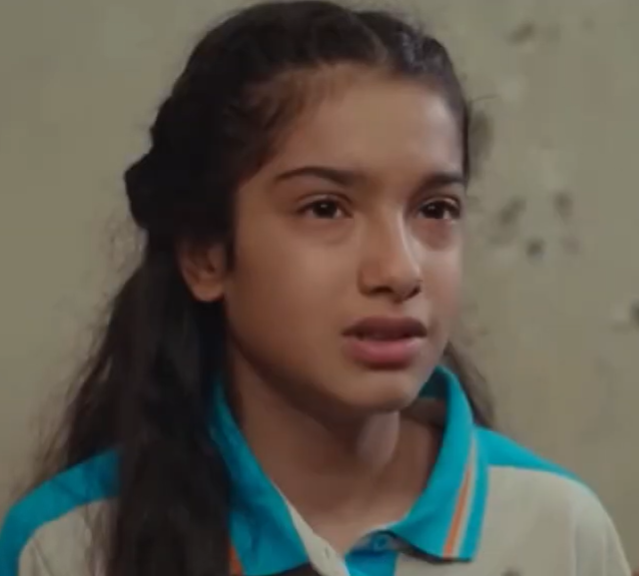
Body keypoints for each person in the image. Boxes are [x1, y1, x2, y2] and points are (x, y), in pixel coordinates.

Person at [0, 2, 630, 575]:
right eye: (326, 208)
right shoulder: (67, 547)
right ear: (206, 255)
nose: (399, 270)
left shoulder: (558, 533)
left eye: (435, 208)